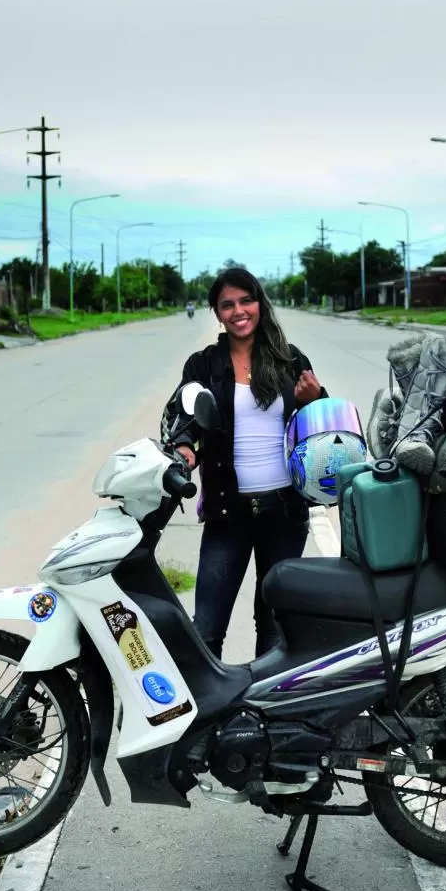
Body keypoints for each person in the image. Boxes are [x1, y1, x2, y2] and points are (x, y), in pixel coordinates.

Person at [162, 265, 327, 660]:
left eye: (246, 300)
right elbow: (183, 417)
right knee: (206, 627)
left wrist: (316, 399)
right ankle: (209, 717)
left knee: (273, 627)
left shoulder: (289, 360)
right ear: (217, 313)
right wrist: (185, 448)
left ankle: (264, 714)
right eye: (227, 304)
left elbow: (324, 432)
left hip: (285, 510)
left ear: (260, 304)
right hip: (227, 511)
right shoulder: (203, 365)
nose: (239, 311)